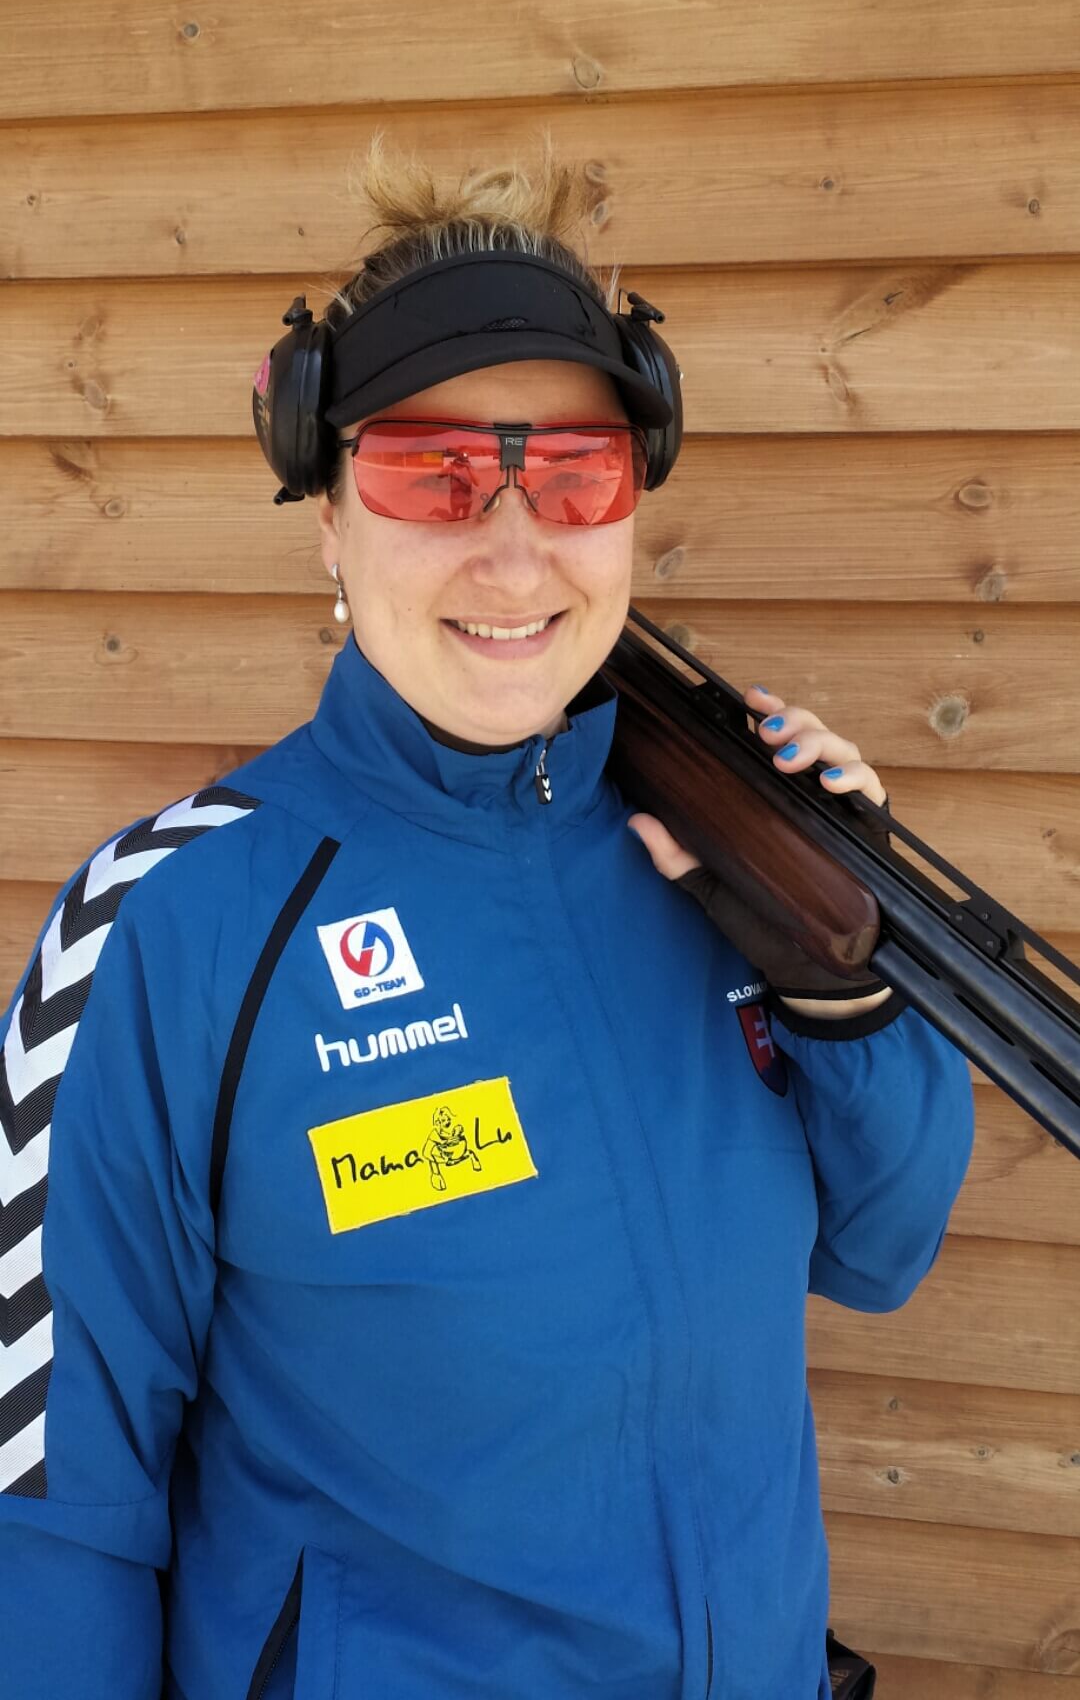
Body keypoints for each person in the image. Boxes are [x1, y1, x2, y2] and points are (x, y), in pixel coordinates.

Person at [0, 134, 974, 1699]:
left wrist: (845, 987)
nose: (514, 552)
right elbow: (50, 1524)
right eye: (429, 471)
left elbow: (883, 1250)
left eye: (575, 472)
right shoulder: (172, 932)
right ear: (329, 514)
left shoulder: (723, 857)